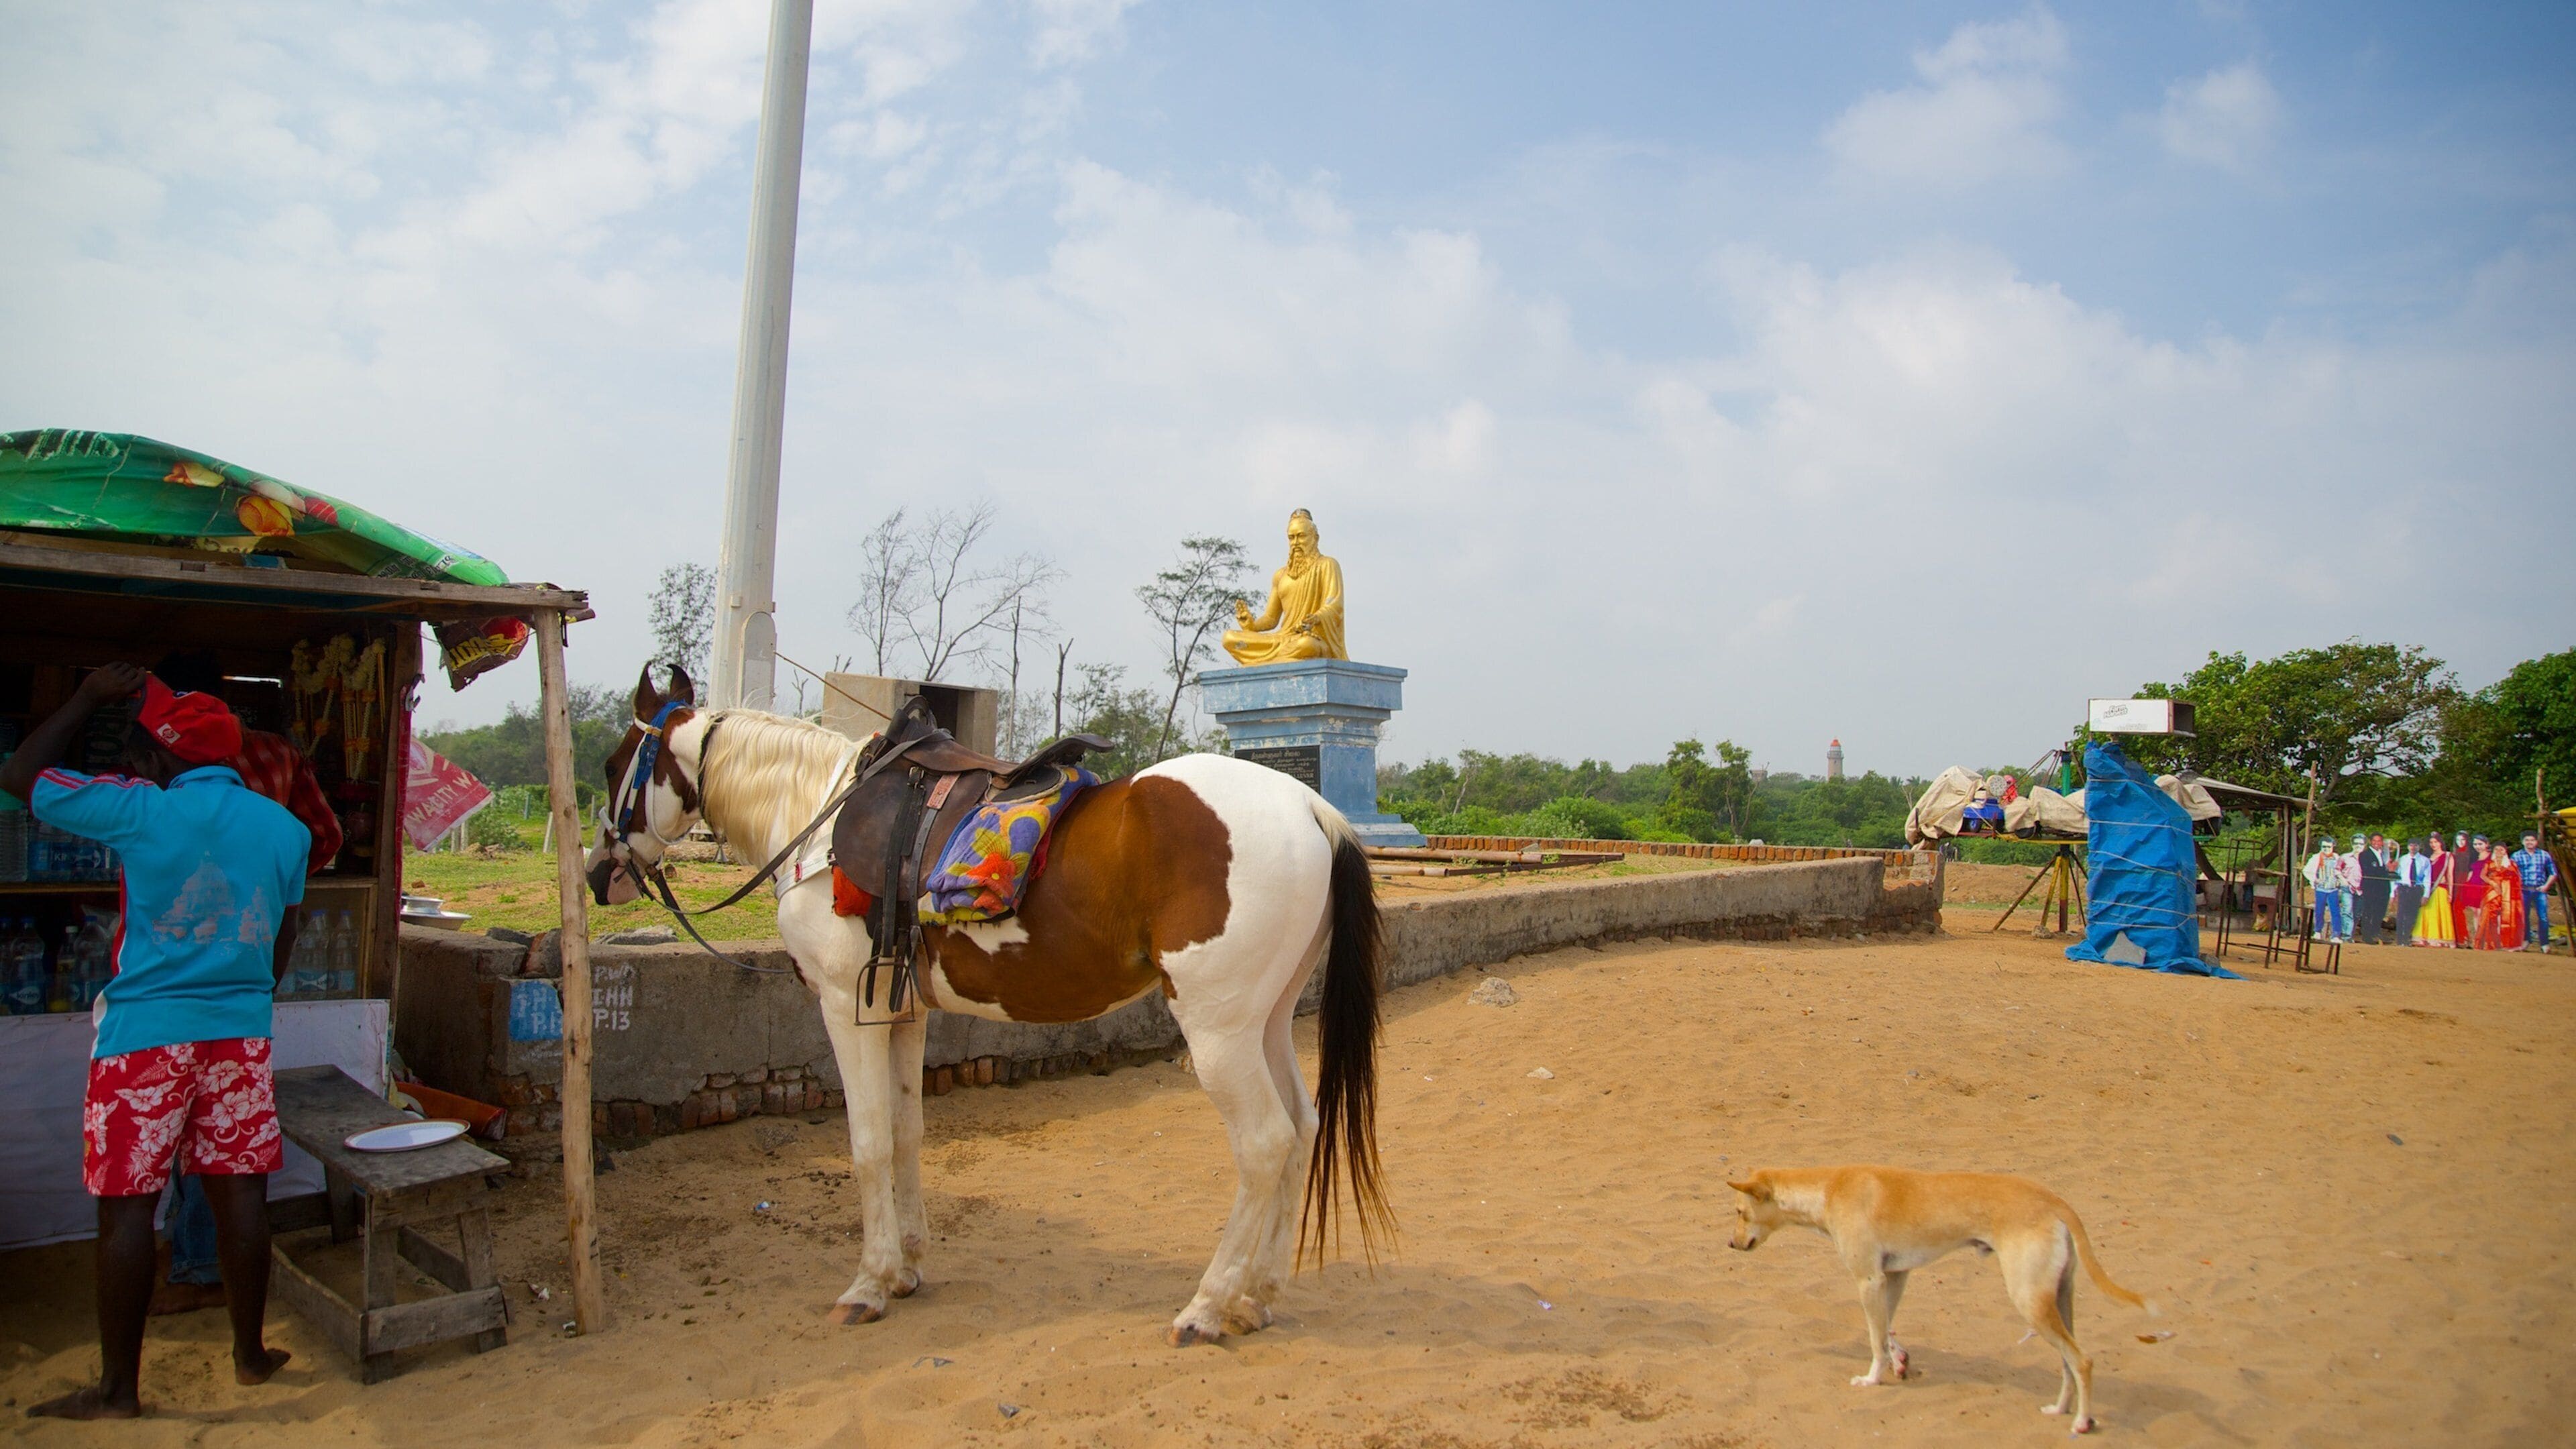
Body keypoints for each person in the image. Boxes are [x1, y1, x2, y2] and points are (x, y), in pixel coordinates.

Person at [0, 665, 307, 1419]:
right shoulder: (286, 829)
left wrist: (82, 697)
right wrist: (243, 995)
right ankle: (250, 1354)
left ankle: (117, 1390)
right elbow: (283, 936)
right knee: (240, 1195)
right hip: (240, 1033)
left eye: (146, 750)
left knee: (128, 1207)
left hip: (144, 1036)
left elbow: (18, 777)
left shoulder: (140, 811)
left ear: (165, 759)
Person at [148, 653, 343, 1316]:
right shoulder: (279, 756)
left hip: (171, 974)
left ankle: (196, 1263)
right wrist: (273, 869)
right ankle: (220, 1290)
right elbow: (327, 839)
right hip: (251, 962)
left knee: (179, 1146)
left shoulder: (163, 776)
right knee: (228, 1150)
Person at [2512, 832, 2559, 953]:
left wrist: (2547, 886)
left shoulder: (2544, 855)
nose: (2529, 843)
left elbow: (2553, 873)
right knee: (2523, 917)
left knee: (2543, 917)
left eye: (2532, 840)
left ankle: (2545, 943)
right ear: (2522, 842)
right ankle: (2525, 940)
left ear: (2536, 842)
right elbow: (2510, 874)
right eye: (2527, 840)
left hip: (2540, 890)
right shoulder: (2516, 856)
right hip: (2523, 890)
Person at [2475, 841, 2526, 951]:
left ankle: (2508, 944)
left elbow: (2518, 879)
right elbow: (2483, 876)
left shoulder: (2511, 864)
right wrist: (2493, 884)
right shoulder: (2489, 863)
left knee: (2509, 917)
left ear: (2505, 851)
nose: (2499, 852)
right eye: (2496, 850)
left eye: (2501, 850)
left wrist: (2507, 886)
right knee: (2488, 915)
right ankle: (2489, 944)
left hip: (2508, 894)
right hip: (2492, 892)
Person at [2416, 835, 2458, 948]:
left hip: (2440, 889)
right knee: (2426, 912)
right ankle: (2424, 938)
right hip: (2428, 890)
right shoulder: (2427, 857)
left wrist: (2450, 892)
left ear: (2441, 842)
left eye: (2436, 842)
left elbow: (2450, 875)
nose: (2433, 844)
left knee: (2438, 914)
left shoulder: (2448, 856)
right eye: (2431, 842)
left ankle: (2439, 939)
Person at [2303, 839, 2347, 941]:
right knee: (2319, 911)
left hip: (2333, 889)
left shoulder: (2337, 858)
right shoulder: (2316, 858)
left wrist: (2340, 882)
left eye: (2329, 847)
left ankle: (2336, 934)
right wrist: (2315, 880)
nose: (2326, 849)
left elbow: (2343, 871)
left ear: (2333, 847)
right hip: (2321, 889)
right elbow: (2307, 870)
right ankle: (2318, 931)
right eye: (2324, 847)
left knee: (2335, 912)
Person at [2354, 832, 2394, 944]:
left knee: (2380, 912)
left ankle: (2376, 933)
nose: (2377, 843)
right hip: (2371, 887)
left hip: (2383, 888)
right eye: (2374, 841)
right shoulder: (2365, 855)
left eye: (2379, 841)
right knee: (2369, 911)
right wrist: (2386, 871)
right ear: (2371, 842)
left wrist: (2390, 870)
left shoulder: (2384, 854)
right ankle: (2367, 936)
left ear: (2382, 842)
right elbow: (2370, 870)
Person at [2394, 838, 2430, 943]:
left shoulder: (2424, 861)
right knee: (2401, 914)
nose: (2413, 848)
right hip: (2404, 888)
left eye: (2416, 845)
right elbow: (2396, 876)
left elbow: (2427, 879)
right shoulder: (2402, 859)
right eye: (2411, 845)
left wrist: (2426, 895)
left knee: (2412, 915)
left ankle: (2406, 937)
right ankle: (2400, 938)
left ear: (2419, 847)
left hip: (2416, 889)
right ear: (2408, 847)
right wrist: (2393, 892)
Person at [2451, 833, 2484, 943]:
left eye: (2463, 840)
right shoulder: (2453, 854)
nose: (2460, 842)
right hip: (2456, 881)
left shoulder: (2472, 854)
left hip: (2468, 882)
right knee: (2456, 908)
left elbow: (2474, 869)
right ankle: (2460, 936)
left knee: (2474, 910)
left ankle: (2475, 937)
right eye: (2458, 840)